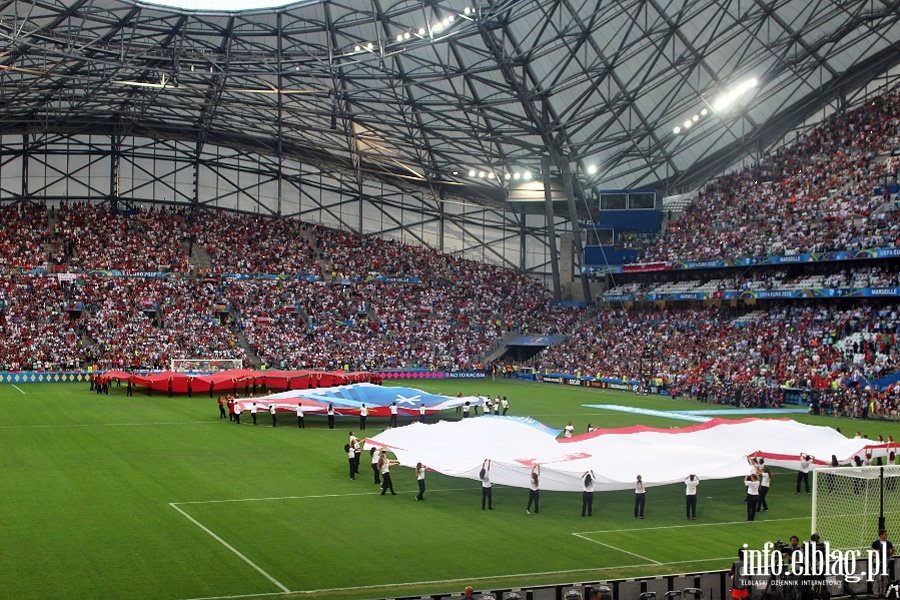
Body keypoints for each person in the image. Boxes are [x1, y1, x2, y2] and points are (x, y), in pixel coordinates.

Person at [871, 529, 895, 596]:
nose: (886, 535)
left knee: (885, 578)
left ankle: (884, 592)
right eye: (885, 534)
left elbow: (893, 550)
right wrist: (876, 555)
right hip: (877, 562)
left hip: (885, 562)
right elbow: (872, 552)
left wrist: (889, 556)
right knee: (876, 578)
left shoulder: (888, 543)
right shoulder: (875, 543)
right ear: (881, 535)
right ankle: (876, 593)